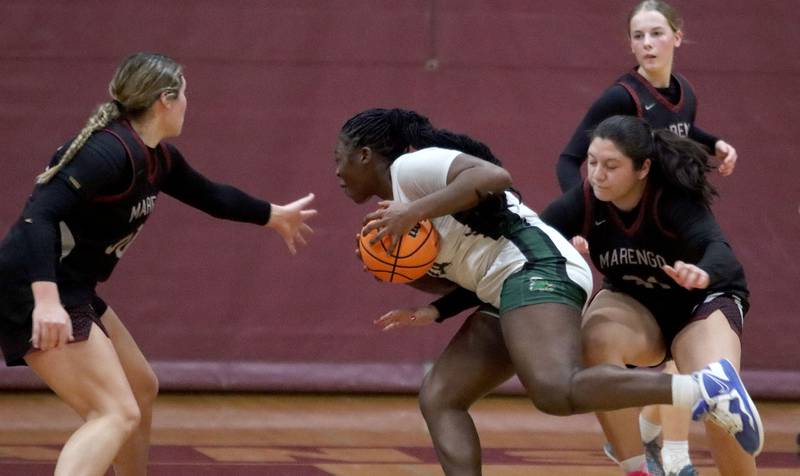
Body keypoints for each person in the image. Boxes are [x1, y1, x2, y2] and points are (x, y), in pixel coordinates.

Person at [334, 107, 761, 476]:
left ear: (365, 154)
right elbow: (461, 271)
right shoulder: (394, 216)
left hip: (538, 265)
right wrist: (418, 291)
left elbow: (493, 176)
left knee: (555, 390)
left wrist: (415, 209)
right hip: (501, 287)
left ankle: (704, 388)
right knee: (440, 396)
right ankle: (673, 419)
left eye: (340, 160)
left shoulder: (412, 170)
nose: (336, 172)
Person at [0, 52, 316, 476]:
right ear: (165, 99)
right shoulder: (107, 152)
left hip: (71, 286)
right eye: (185, 93)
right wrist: (46, 300)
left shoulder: (157, 158)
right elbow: (37, 214)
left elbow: (212, 195)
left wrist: (273, 215)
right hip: (31, 286)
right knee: (113, 412)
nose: (189, 101)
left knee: (139, 386)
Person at [556, 2, 739, 473]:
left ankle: (667, 448)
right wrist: (583, 219)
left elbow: (675, 134)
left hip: (674, 226)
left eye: (656, 33)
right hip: (629, 230)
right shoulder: (619, 98)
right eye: (638, 36)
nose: (647, 44)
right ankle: (647, 451)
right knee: (615, 340)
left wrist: (712, 141)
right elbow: (570, 158)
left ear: (678, 36)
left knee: (690, 353)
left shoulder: (683, 92)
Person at [541, 115, 761, 475]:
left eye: (611, 166)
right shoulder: (584, 200)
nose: (597, 174)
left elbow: (718, 248)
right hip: (637, 304)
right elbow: (532, 237)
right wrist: (561, 247)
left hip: (701, 304)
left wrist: (702, 271)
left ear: (643, 168)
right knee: (594, 338)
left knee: (720, 407)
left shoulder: (671, 200)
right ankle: (638, 466)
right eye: (593, 163)